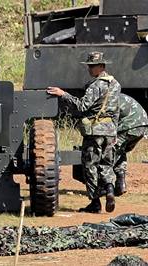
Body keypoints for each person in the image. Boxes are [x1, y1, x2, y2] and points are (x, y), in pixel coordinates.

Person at [47, 51, 121, 213]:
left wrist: (63, 94)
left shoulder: (96, 85)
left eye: (92, 66)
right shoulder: (115, 84)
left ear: (101, 66)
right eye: (89, 65)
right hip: (110, 131)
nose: (89, 68)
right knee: (106, 163)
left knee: (90, 165)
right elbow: (115, 111)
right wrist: (114, 130)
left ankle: (95, 202)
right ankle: (109, 190)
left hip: (94, 131)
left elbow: (81, 106)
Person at [113, 93, 148, 196]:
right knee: (120, 151)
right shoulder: (116, 95)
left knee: (109, 154)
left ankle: (105, 187)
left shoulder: (109, 99)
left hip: (129, 126)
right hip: (142, 126)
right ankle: (121, 184)